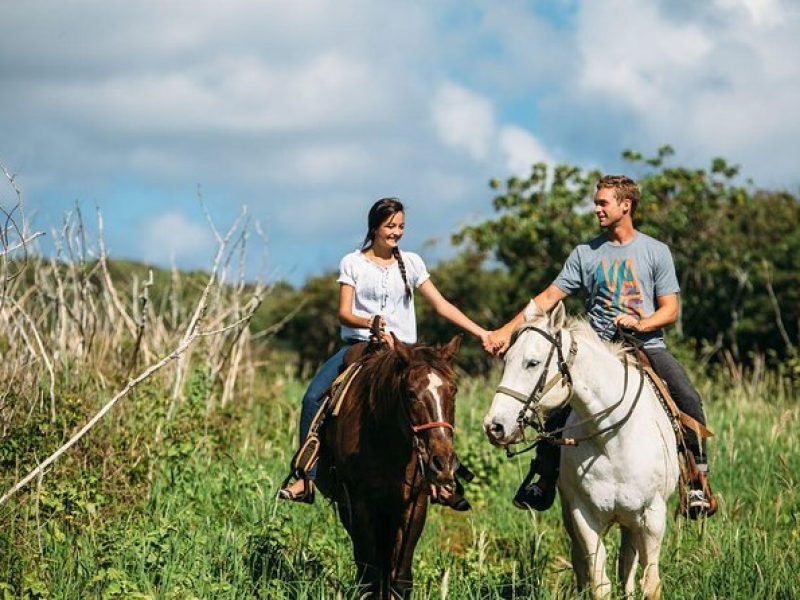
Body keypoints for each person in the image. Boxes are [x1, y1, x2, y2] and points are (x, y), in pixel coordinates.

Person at [488, 175, 716, 519]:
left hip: (646, 345)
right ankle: (543, 479)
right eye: (596, 202)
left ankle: (696, 483)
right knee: (555, 411)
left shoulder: (655, 251)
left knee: (688, 398)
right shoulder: (585, 253)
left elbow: (670, 309)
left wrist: (641, 323)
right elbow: (548, 299)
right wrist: (506, 330)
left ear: (626, 205)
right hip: (597, 350)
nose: (596, 209)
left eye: (602, 203)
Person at [280, 197, 492, 507]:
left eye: (401, 226)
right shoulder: (352, 263)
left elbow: (441, 304)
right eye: (390, 226)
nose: (396, 232)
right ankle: (306, 478)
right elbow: (344, 313)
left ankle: (443, 479)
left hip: (405, 351)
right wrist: (371, 323)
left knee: (433, 400)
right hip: (362, 345)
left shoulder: (412, 263)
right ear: (375, 227)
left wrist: (481, 332)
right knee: (312, 397)